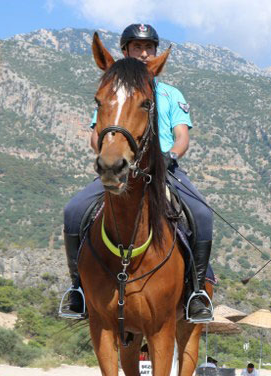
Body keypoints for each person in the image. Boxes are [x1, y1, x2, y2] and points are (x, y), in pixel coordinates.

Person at [60, 23, 214, 323]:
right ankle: (78, 288)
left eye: (148, 48)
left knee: (202, 214)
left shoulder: (170, 93)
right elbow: (97, 133)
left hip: (162, 170)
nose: (143, 53)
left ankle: (196, 292)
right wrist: (105, 152)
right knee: (73, 210)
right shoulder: (115, 90)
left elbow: (181, 135)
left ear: (156, 53)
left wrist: (172, 155)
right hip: (121, 168)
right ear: (126, 51)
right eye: (136, 47)